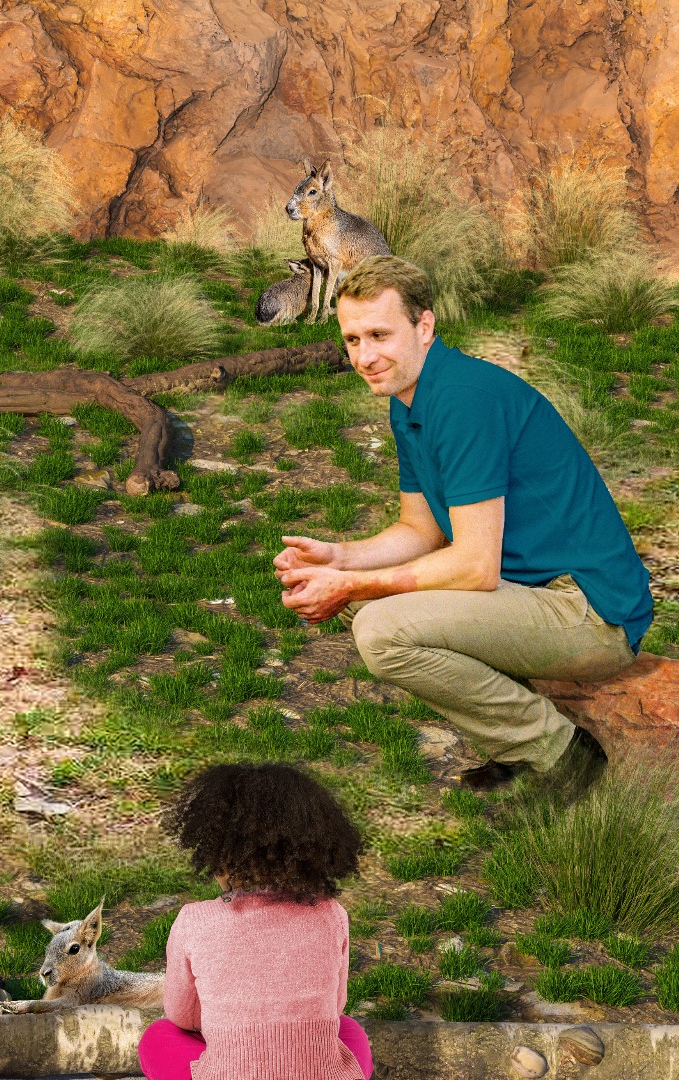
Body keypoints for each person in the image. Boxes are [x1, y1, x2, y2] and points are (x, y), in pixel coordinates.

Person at [275, 255, 653, 796]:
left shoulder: (462, 400)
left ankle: (560, 754)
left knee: (380, 630)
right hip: (526, 587)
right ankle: (515, 740)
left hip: (592, 612)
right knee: (363, 600)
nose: (366, 356)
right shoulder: (409, 398)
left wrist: (354, 583)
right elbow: (420, 529)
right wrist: (337, 558)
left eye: (380, 334)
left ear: (424, 327)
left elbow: (474, 566)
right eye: (353, 339)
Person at [140, 763, 371, 1080]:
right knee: (349, 1029)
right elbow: (335, 1006)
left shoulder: (194, 920)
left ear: (217, 853)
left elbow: (183, 1015)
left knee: (158, 1037)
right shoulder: (332, 914)